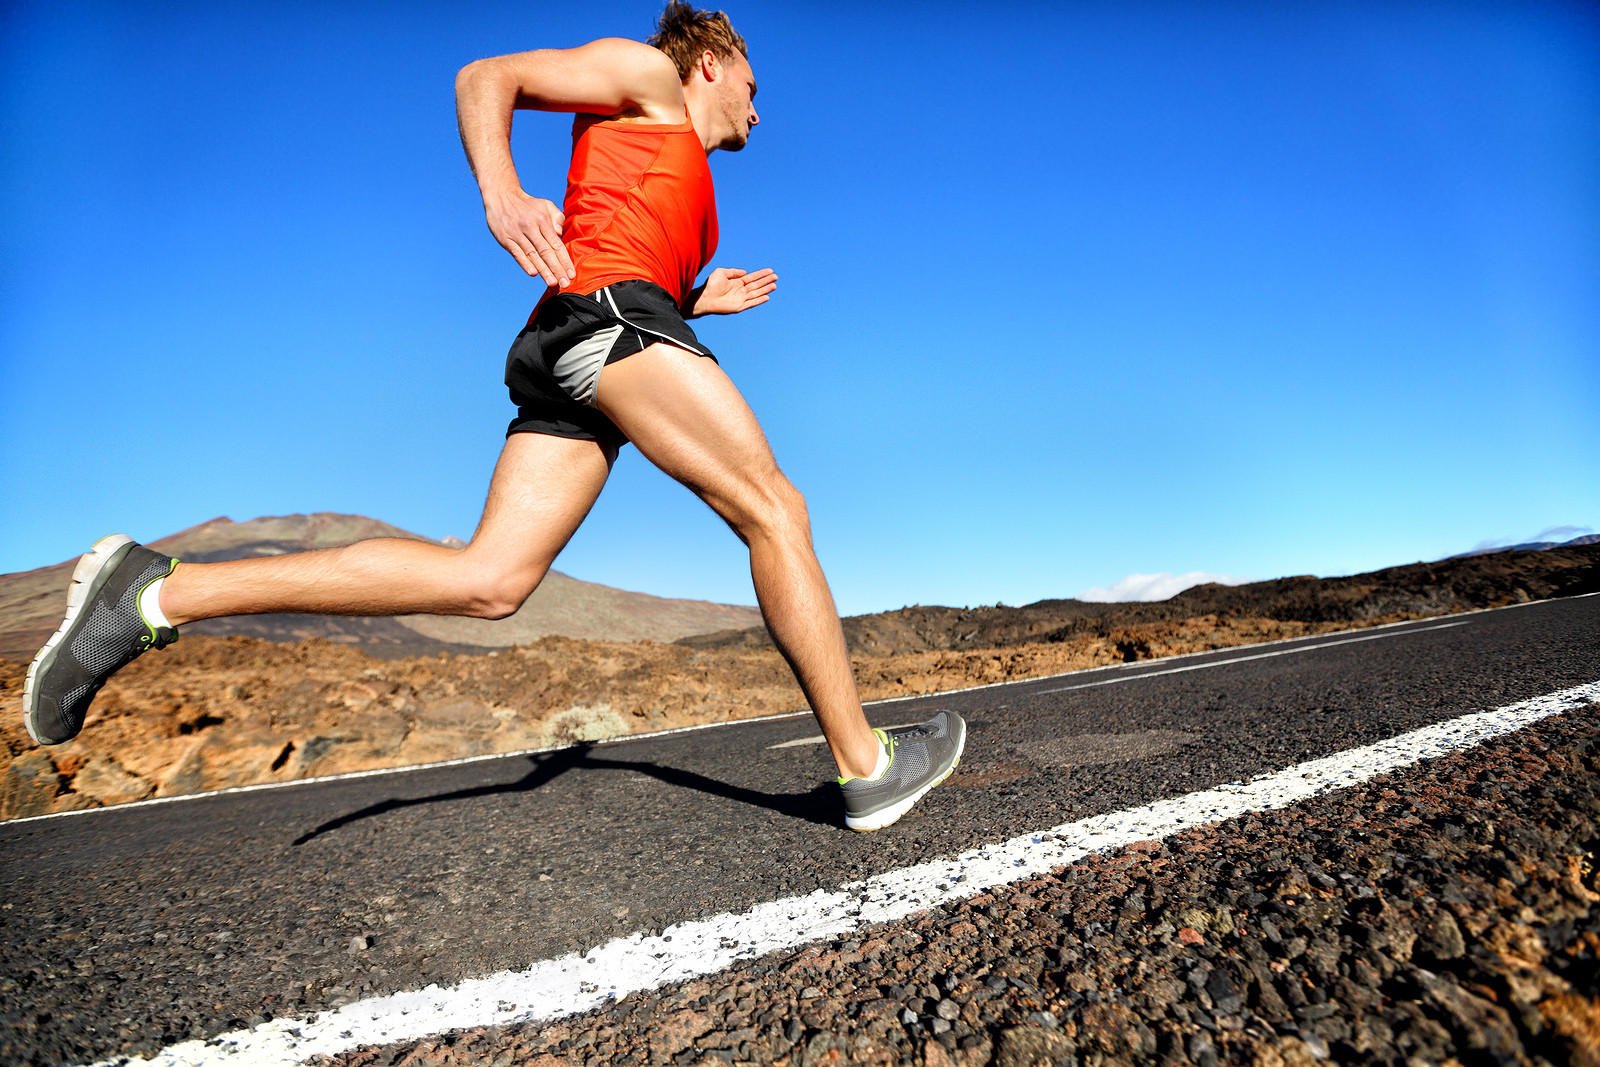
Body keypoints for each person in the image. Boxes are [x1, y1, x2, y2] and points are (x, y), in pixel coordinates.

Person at [22, 2, 964, 832]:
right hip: (610, 319)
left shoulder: (685, 183)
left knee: (490, 579)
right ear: (709, 60)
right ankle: (868, 768)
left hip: (587, 338)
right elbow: (489, 76)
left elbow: (622, 230)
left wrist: (692, 295)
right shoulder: (651, 80)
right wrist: (503, 194)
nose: (758, 110)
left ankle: (152, 593)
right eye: (754, 86)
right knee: (775, 509)